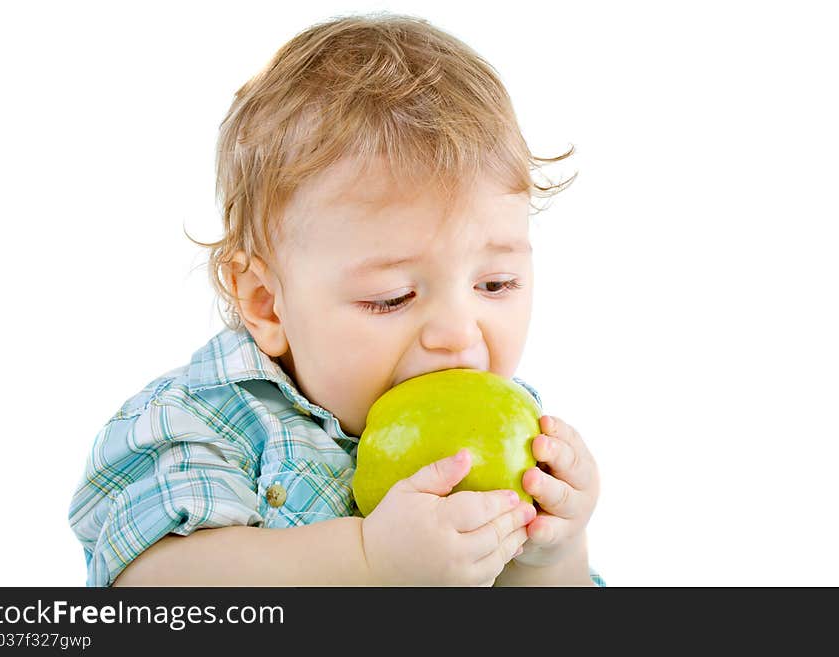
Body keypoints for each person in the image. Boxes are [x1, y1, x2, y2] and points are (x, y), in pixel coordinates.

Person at [68, 12, 604, 587]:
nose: (458, 332)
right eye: (392, 297)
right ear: (267, 303)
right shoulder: (204, 421)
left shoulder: (520, 429)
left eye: (495, 285)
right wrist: (369, 562)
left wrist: (551, 553)